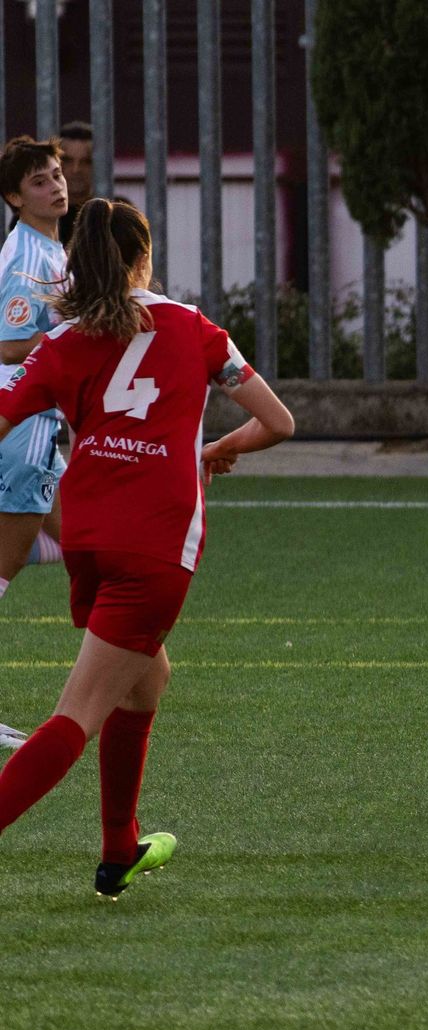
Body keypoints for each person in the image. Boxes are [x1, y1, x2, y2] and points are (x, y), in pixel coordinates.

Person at [0, 199, 294, 896]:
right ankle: (111, 845)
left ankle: (118, 850)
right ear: (144, 257)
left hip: (90, 539)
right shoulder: (195, 330)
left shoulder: (64, 341)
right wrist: (219, 449)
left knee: (147, 679)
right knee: (78, 713)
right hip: (155, 545)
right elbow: (279, 422)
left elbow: (6, 412)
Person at [0, 137, 71, 748]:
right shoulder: (24, 259)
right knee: (8, 560)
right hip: (20, 421)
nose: (57, 185)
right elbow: (8, 346)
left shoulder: (50, 249)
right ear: (14, 197)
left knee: (81, 538)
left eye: (57, 174)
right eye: (41, 180)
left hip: (39, 421)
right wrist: (77, 336)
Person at [57, 121, 94, 247]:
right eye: (67, 160)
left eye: (86, 161)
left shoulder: (117, 213)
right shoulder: (32, 217)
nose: (76, 169)